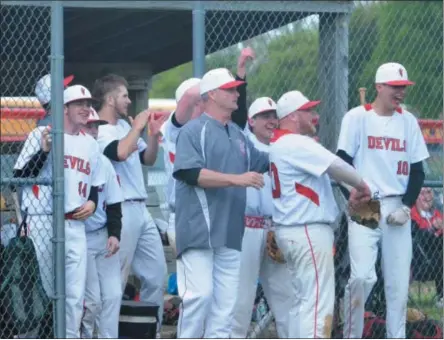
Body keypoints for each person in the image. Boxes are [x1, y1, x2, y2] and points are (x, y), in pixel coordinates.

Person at [172, 67, 269, 338]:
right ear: (212, 94)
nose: (236, 93)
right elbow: (191, 174)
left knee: (225, 309)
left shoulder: (238, 134)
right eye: (230, 89)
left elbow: (265, 160)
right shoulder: (193, 130)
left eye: (236, 89)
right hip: (199, 230)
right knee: (199, 297)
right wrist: (237, 179)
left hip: (230, 231)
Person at [336, 62, 429, 338]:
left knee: (398, 285)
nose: (400, 92)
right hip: (366, 200)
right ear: (378, 87)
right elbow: (341, 162)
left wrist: (406, 206)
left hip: (397, 202)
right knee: (362, 277)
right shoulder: (357, 117)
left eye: (403, 88)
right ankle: (352, 333)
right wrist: (350, 193)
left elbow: (418, 171)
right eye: (394, 87)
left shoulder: (408, 121)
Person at [269, 90, 371, 338]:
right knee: (317, 306)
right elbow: (336, 165)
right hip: (307, 231)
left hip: (293, 230)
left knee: (302, 303)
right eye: (308, 111)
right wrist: (361, 185)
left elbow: (330, 171)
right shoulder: (295, 142)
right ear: (293, 116)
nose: (314, 116)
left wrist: (351, 187)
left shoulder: (280, 143)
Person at [13, 84, 102, 338]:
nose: (87, 108)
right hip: (44, 223)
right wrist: (44, 152)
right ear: (64, 108)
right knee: (43, 292)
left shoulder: (90, 144)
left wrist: (93, 202)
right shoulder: (43, 133)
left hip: (76, 225)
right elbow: (19, 177)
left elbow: (95, 186)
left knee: (75, 296)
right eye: (80, 104)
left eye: (88, 103)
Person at [92, 74, 168, 334]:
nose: (128, 100)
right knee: (116, 281)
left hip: (141, 207)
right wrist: (138, 127)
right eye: (124, 96)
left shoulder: (127, 126)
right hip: (120, 209)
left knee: (157, 276)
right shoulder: (100, 129)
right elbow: (120, 153)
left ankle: (148, 332)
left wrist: (154, 136)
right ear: (111, 99)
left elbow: (147, 158)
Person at [160, 47, 254, 253]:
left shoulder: (213, 129)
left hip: (214, 212)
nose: (202, 105)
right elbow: (188, 98)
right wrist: (212, 86)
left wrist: (238, 76)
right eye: (200, 100)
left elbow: (237, 119)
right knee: (197, 283)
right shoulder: (175, 127)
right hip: (185, 213)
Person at [231, 97, 292, 338]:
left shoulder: (284, 146)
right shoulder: (243, 143)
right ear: (251, 121)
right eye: (264, 116)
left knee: (286, 297)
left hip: (275, 229)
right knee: (241, 299)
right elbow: (235, 123)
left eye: (273, 116)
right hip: (247, 227)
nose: (271, 121)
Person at [81, 108, 124, 338]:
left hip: (102, 234)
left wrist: (114, 234)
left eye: (97, 126)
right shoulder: (70, 160)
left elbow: (115, 203)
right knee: (92, 301)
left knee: (113, 295)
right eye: (89, 126)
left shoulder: (104, 162)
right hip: (79, 235)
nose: (94, 131)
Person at [410, 187, 443, 308]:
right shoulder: (412, 213)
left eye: (429, 192)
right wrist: (432, 230)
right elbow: (417, 239)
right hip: (418, 262)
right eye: (422, 193)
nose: (426, 196)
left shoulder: (437, 213)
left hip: (436, 257)